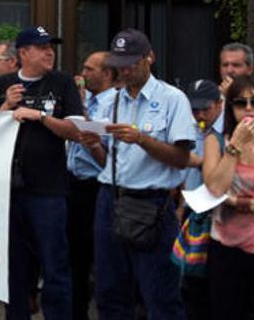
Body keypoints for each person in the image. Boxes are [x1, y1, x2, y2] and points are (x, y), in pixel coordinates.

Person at [80, 28, 194, 320]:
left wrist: (142, 139)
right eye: (120, 63)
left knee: (160, 295)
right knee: (110, 292)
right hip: (110, 199)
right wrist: (93, 145)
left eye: (132, 62)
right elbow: (108, 161)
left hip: (152, 204)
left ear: (150, 58)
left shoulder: (172, 99)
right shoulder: (110, 101)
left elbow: (181, 159)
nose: (126, 69)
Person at [0, 25, 81, 320]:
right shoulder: (1, 84)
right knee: (13, 268)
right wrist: (5, 106)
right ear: (23, 53)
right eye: (42, 47)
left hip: (49, 192)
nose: (50, 51)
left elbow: (75, 131)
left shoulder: (62, 84)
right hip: (8, 193)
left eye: (52, 46)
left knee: (55, 267)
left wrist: (41, 116)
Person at [202, 75, 254, 320]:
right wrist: (235, 146)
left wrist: (238, 202)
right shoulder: (217, 141)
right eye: (241, 103)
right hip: (226, 249)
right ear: (230, 107)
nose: (249, 109)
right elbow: (216, 189)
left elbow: (226, 197)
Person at [66, 51, 117, 320]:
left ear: (107, 74)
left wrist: (94, 143)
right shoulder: (90, 101)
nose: (83, 74)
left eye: (89, 69)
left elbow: (111, 161)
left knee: (99, 256)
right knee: (75, 256)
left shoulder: (114, 105)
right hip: (73, 183)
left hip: (96, 187)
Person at [179, 79, 223, 320]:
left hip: (219, 212)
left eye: (205, 109)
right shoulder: (191, 127)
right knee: (191, 278)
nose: (199, 115)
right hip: (192, 209)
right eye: (194, 110)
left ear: (219, 104)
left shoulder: (227, 131)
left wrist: (201, 162)